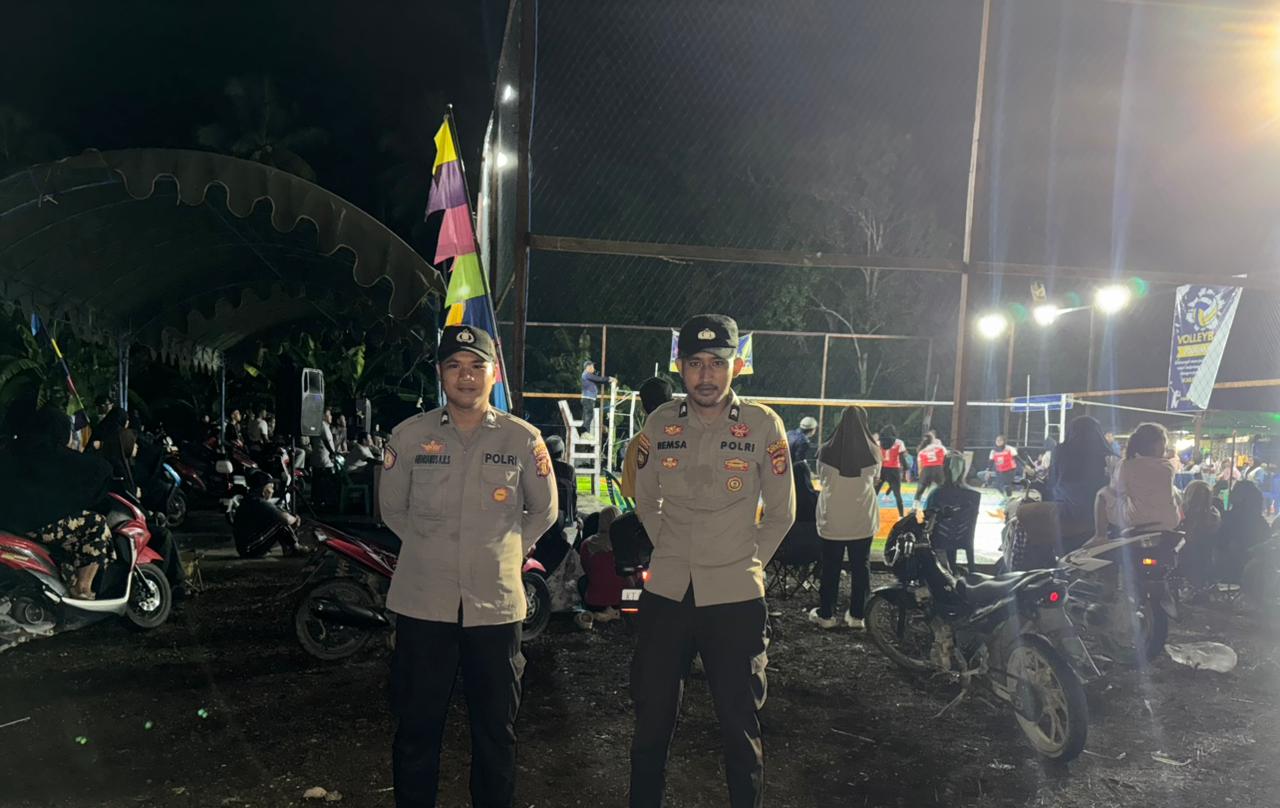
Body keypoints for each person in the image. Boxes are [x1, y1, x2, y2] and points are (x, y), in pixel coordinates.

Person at [379, 324, 557, 808]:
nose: (466, 376)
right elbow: (392, 510)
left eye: (477, 366)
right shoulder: (409, 437)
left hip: (495, 607)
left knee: (496, 733)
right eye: (454, 366)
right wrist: (433, 549)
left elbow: (544, 511)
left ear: (494, 374)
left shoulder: (523, 439)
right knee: (416, 729)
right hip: (424, 604)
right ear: (440, 374)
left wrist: (505, 552)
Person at [630, 313, 796, 808]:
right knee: (651, 726)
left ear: (736, 366)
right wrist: (670, 548)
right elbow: (645, 500)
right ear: (680, 367)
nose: (706, 375)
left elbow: (782, 513)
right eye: (696, 363)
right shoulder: (659, 423)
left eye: (717, 363)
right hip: (666, 596)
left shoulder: (763, 425)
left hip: (735, 599)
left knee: (740, 728)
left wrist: (746, 563)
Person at [0, 405, 115, 598]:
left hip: (6, 521)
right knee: (96, 525)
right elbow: (99, 470)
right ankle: (83, 589)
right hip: (36, 525)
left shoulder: (11, 448)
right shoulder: (53, 454)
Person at [811, 406, 881, 630]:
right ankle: (858, 616)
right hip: (863, 519)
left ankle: (826, 614)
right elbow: (875, 479)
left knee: (830, 568)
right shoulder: (874, 451)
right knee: (861, 568)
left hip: (832, 519)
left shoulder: (825, 451)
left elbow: (822, 479)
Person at [1090, 422, 1180, 543]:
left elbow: (1118, 491)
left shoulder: (1126, 464)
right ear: (1159, 445)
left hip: (1138, 521)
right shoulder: (1167, 466)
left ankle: (1100, 536)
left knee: (1102, 494)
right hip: (1169, 522)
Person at [1048, 416, 1114, 547]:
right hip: (1101, 514)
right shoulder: (1106, 453)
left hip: (1067, 511)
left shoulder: (1061, 451)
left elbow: (1052, 480)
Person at [921, 452, 982, 571]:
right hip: (963, 536)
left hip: (941, 537)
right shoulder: (973, 495)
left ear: (944, 469)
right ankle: (957, 567)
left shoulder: (937, 494)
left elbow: (927, 516)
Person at [620, 377, 675, 500]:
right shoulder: (693, 438)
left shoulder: (636, 444)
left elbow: (633, 494)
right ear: (671, 404)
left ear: (644, 409)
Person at [231, 470, 302, 557]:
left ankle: (288, 549)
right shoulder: (258, 502)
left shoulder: (250, 499)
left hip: (246, 548)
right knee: (280, 521)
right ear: (263, 489)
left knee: (277, 518)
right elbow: (286, 519)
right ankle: (295, 548)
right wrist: (295, 519)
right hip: (249, 549)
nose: (272, 491)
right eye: (271, 487)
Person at [577, 506, 625, 628]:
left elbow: (586, 570)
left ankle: (593, 612)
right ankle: (613, 611)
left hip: (594, 602)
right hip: (621, 600)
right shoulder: (626, 545)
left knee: (582, 581)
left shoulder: (587, 544)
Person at [1177, 479, 1222, 592]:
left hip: (1201, 552)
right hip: (1188, 551)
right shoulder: (1182, 512)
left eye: (1204, 495)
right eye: (1198, 495)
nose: (1201, 498)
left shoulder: (1212, 514)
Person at [876, 424, 908, 517]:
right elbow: (902, 459)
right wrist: (905, 469)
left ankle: (867, 512)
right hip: (894, 470)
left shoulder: (878, 442)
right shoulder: (899, 442)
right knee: (897, 495)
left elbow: (876, 457)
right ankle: (901, 516)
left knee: (874, 493)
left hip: (882, 469)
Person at [580, 360, 614, 437]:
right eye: (592, 367)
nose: (594, 369)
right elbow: (598, 379)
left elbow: (599, 381)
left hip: (589, 399)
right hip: (588, 399)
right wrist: (609, 378)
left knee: (587, 416)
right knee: (588, 416)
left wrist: (607, 380)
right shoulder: (586, 374)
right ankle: (585, 433)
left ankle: (584, 433)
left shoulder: (588, 375)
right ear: (588, 367)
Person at [916, 430, 947, 499]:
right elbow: (946, 457)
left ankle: (915, 504)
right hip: (938, 468)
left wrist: (920, 475)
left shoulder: (922, 451)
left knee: (920, 489)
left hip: (926, 469)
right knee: (942, 487)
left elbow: (920, 466)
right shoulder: (940, 446)